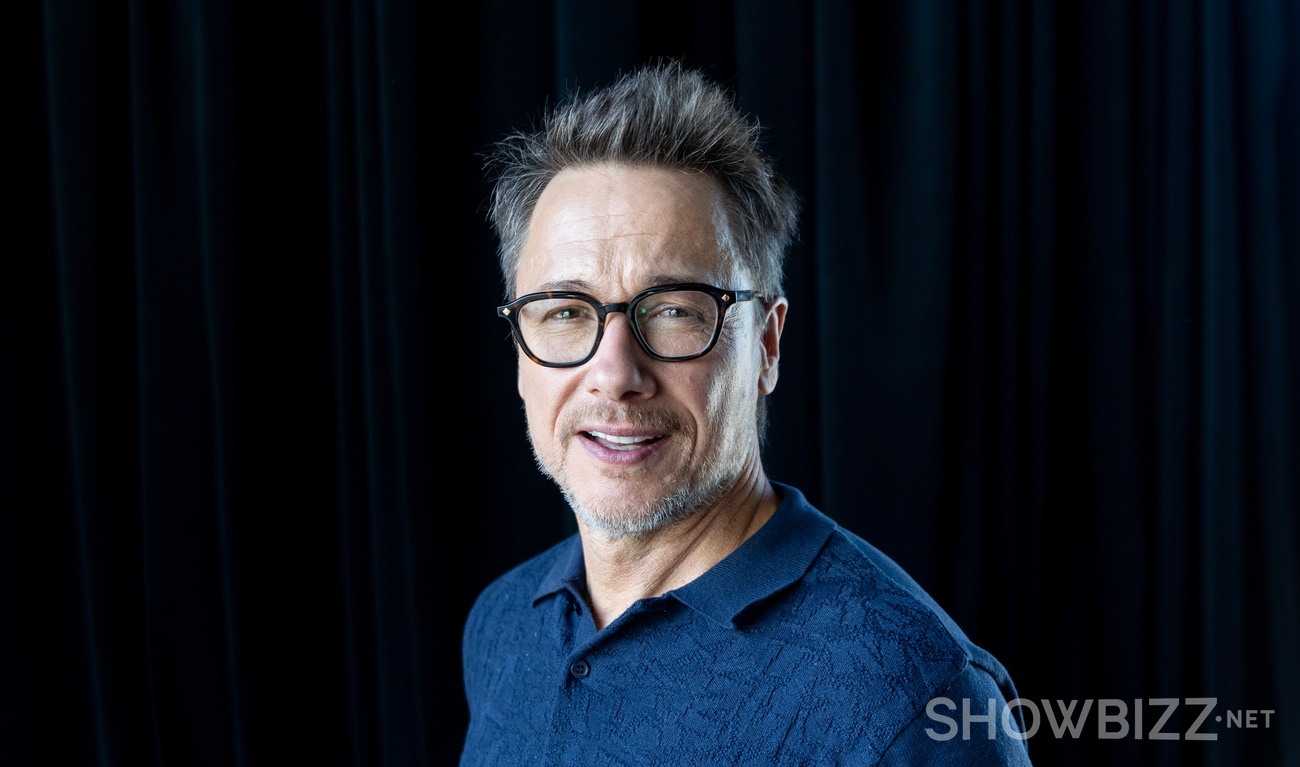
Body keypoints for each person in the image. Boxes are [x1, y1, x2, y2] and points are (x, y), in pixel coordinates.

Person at [461, 63, 1032, 765]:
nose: (614, 373)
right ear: (519, 350)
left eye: (672, 311)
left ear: (766, 344)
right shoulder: (502, 625)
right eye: (566, 312)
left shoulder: (911, 699)